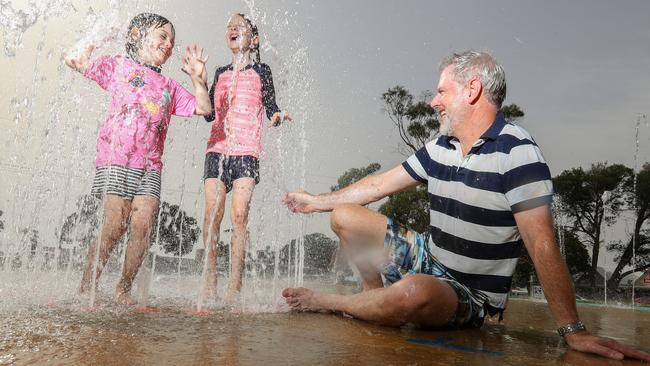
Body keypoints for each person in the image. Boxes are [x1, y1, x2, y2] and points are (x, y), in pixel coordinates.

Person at [281, 50, 650, 361]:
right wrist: (317, 203)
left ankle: (332, 302)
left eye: (442, 91)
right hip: (429, 257)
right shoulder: (441, 146)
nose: (434, 101)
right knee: (344, 216)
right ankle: (372, 300)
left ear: (472, 90)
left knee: (415, 294)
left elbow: (542, 244)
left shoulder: (518, 153)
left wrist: (574, 330)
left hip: (469, 293)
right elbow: (378, 185)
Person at [64, 12, 212, 305]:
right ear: (137, 37)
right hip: (115, 158)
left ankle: (123, 289)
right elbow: (75, 59)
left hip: (150, 167)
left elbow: (204, 108)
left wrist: (198, 79)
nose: (169, 43)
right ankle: (87, 287)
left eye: (172, 40)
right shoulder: (118, 67)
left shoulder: (169, 86)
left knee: (143, 227)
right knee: (115, 224)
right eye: (163, 36)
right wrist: (98, 36)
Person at [201, 13, 291, 305]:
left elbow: (271, 107)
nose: (232, 29)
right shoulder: (220, 72)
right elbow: (209, 115)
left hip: (247, 154)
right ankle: (210, 283)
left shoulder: (262, 71)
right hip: (217, 150)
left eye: (239, 26)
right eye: (229, 26)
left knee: (239, 216)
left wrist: (277, 116)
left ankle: (233, 290)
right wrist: (199, 81)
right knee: (212, 214)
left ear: (254, 39)